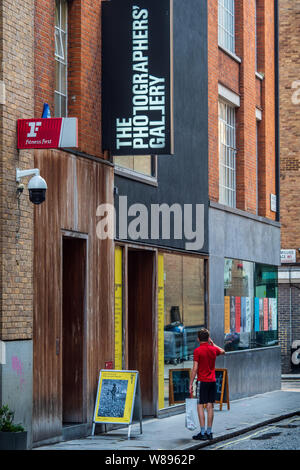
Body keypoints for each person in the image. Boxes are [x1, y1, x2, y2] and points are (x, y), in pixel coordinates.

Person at [189, 328, 225, 441]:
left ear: (198, 339)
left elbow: (195, 368)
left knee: (200, 406)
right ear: (208, 338)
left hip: (202, 382)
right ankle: (209, 433)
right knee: (210, 406)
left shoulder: (197, 351)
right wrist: (213, 344)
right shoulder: (213, 349)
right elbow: (223, 351)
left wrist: (190, 383)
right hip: (212, 382)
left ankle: (203, 432)